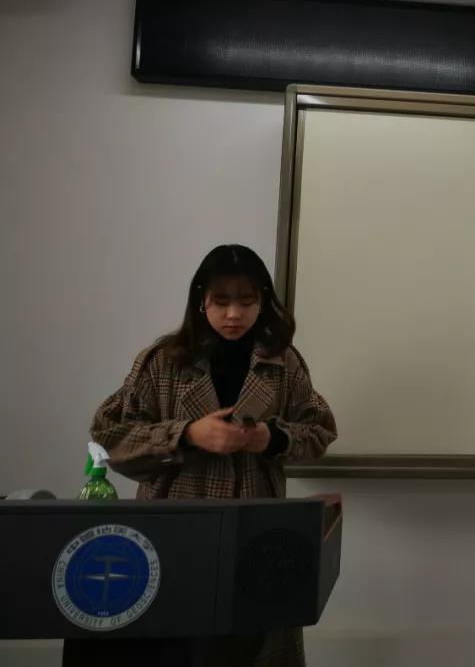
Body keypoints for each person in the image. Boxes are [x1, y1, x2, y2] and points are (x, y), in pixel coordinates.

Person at [90, 244, 337, 667]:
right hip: (174, 531)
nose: (233, 314)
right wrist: (186, 434)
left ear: (263, 301)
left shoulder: (284, 363)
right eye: (221, 301)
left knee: (254, 645)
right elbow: (109, 436)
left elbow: (320, 430)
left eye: (247, 301)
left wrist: (272, 438)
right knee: (174, 647)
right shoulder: (162, 362)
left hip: (258, 533)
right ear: (200, 300)